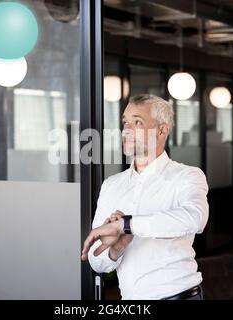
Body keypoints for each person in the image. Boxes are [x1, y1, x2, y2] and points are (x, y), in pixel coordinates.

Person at [81, 94, 209, 300]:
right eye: (125, 122)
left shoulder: (187, 176)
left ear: (162, 130)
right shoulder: (112, 185)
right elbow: (97, 261)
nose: (126, 130)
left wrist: (126, 224)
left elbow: (195, 218)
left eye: (137, 122)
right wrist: (117, 248)